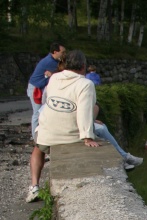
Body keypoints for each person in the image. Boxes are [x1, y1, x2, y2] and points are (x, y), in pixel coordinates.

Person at [28, 50, 99, 203]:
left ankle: (34, 186)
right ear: (83, 66)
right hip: (69, 135)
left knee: (37, 148)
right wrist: (87, 136)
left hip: (47, 132)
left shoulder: (54, 78)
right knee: (96, 112)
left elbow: (47, 102)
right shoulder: (86, 84)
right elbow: (84, 111)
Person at [27, 42, 67, 139]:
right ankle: (35, 137)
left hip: (39, 87)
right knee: (37, 112)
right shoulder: (50, 62)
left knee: (42, 112)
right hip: (36, 88)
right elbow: (61, 74)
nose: (64, 54)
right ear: (55, 52)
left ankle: (41, 134)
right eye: (62, 52)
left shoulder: (52, 60)